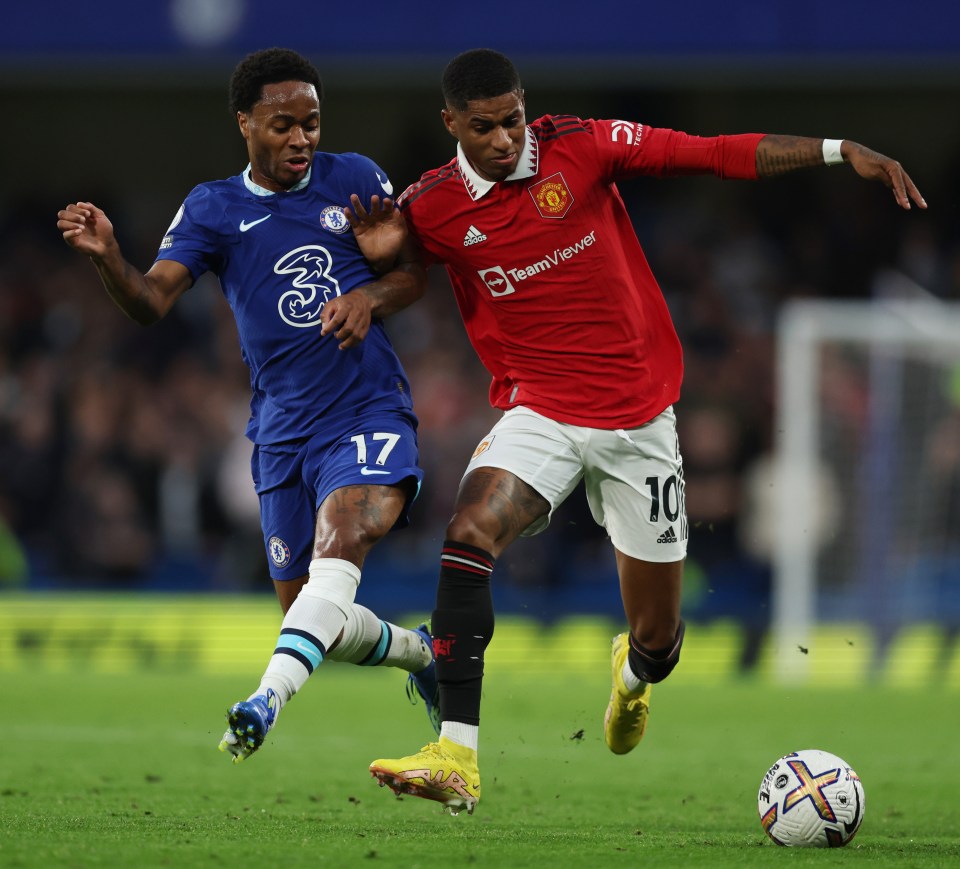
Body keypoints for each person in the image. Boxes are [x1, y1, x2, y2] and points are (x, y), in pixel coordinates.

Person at [367, 48, 926, 815]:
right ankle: (457, 754)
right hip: (541, 412)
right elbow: (401, 267)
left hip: (639, 424)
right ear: (452, 124)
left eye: (513, 120)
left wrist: (836, 150)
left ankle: (632, 675)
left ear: (525, 106)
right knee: (467, 535)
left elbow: (714, 155)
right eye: (485, 127)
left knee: (658, 639)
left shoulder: (581, 146)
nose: (504, 140)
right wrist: (373, 273)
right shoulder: (430, 204)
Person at [56, 47, 440, 762]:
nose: (302, 139)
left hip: (367, 410)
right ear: (246, 124)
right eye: (284, 125)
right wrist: (109, 256)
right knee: (308, 616)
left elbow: (414, 275)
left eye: (313, 123)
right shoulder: (213, 207)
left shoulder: (354, 178)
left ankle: (263, 701)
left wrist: (371, 291)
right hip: (281, 433)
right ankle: (424, 653)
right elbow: (149, 301)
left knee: (347, 532)